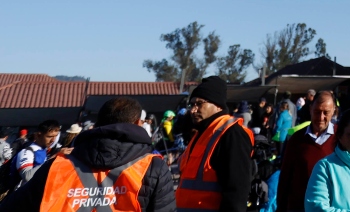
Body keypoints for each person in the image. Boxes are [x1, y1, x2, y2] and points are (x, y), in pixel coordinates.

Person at [0, 98, 176, 212]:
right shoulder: (153, 166)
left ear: (98, 123)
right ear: (139, 123)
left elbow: (11, 208)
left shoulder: (57, 165)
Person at [176, 76, 255, 212]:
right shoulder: (202, 133)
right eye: (192, 104)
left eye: (199, 104)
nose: (193, 110)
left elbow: (237, 191)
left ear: (217, 104)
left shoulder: (231, 134)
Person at [276, 91, 337, 212]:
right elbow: (285, 178)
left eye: (326, 113)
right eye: (317, 112)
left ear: (333, 111)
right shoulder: (296, 139)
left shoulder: (341, 138)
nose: (321, 117)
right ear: (310, 109)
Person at [14, 120, 60, 187]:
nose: (53, 140)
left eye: (55, 136)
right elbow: (27, 176)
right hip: (22, 195)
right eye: (49, 137)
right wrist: (51, 160)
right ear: (38, 135)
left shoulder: (43, 150)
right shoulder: (27, 152)